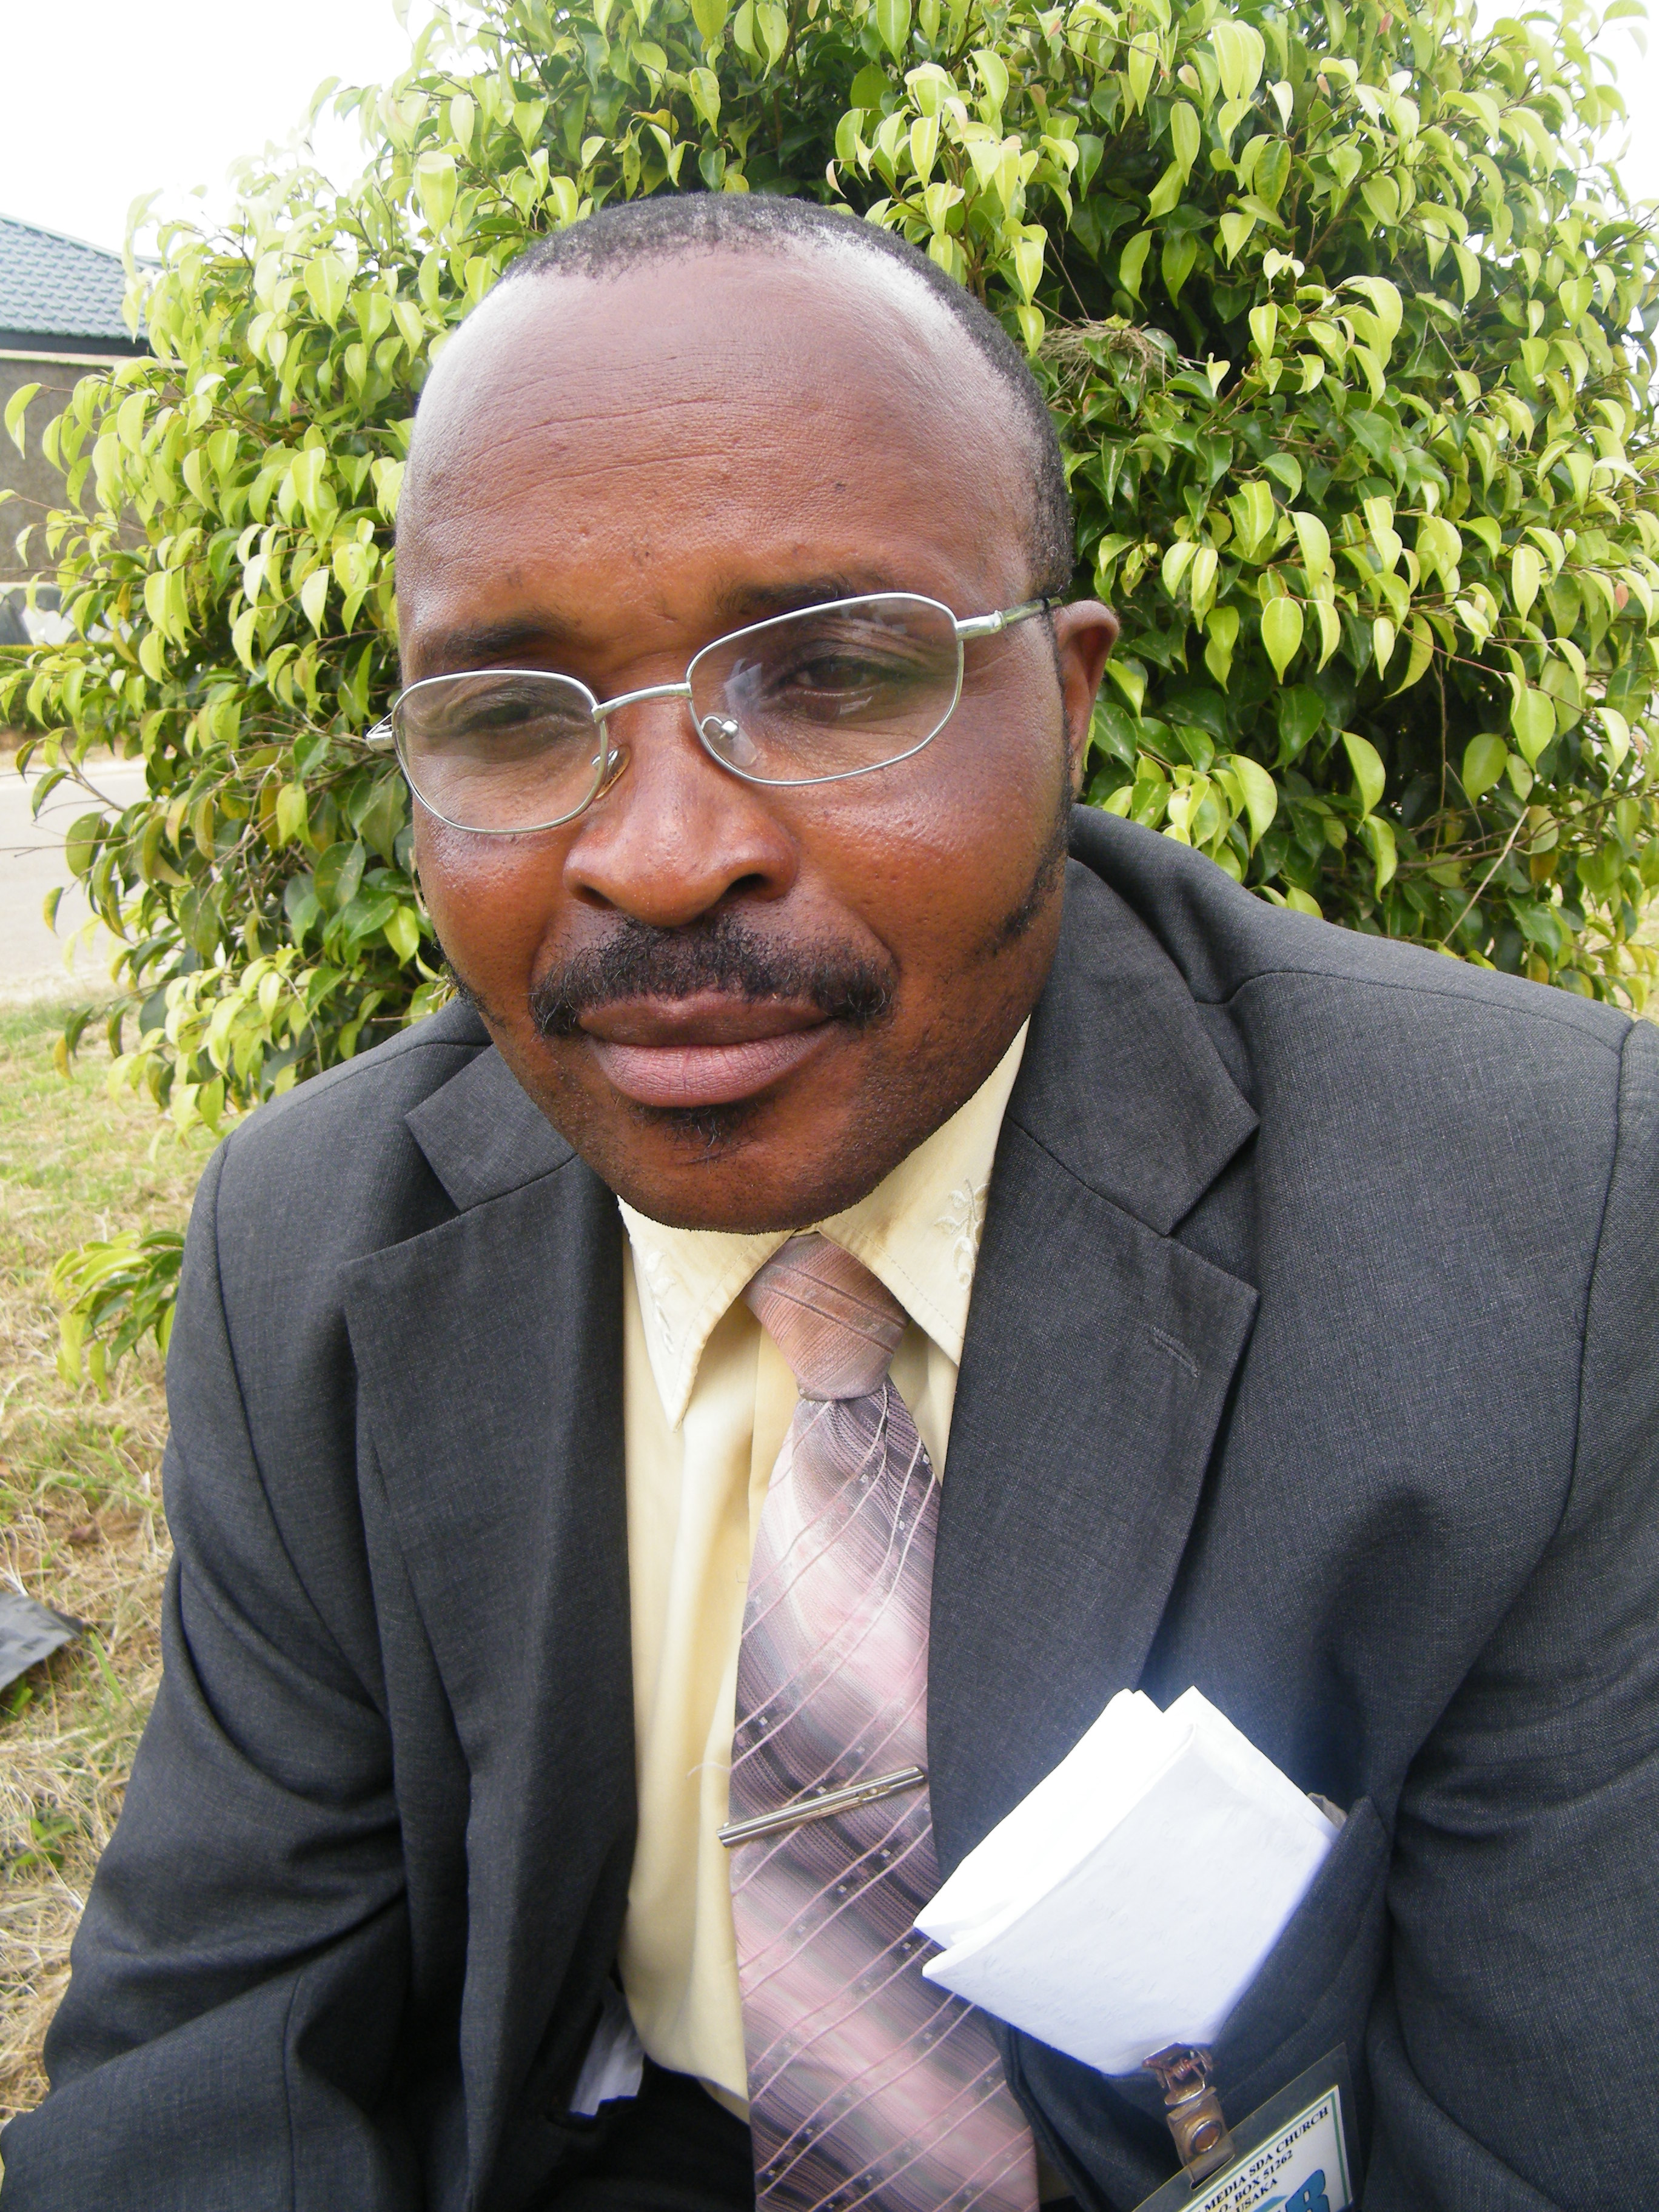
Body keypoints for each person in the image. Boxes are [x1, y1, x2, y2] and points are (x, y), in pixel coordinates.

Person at [3, 193, 1656, 2212]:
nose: (662, 857)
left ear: (1069, 705)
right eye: (513, 717)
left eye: (833, 678)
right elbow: (219, 2047)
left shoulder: (1540, 1223)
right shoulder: (315, 1243)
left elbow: (1548, 2135)